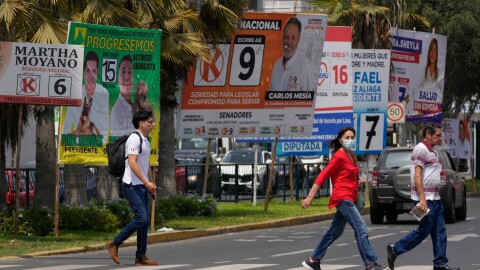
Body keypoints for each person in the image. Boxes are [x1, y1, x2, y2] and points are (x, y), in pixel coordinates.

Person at [301, 127, 387, 270]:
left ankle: (313, 259)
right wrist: (310, 197)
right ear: (341, 140)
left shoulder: (351, 156)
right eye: (347, 137)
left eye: (352, 137)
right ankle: (370, 263)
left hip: (350, 196)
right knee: (361, 229)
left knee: (335, 232)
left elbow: (350, 176)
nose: (350, 140)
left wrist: (358, 182)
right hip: (343, 197)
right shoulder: (339, 156)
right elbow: (323, 175)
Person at [387, 123, 459, 270]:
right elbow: (417, 176)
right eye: (437, 136)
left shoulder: (434, 151)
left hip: (435, 199)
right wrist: (422, 199)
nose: (439, 139)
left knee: (440, 231)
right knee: (424, 230)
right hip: (423, 200)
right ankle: (395, 249)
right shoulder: (421, 150)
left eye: (440, 136)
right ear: (427, 134)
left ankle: (440, 263)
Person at [106, 110, 160, 266]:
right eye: (150, 121)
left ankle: (140, 256)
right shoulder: (134, 139)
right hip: (131, 186)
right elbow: (132, 163)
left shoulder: (146, 141)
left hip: (142, 186)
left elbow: (145, 165)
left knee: (144, 222)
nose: (153, 124)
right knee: (141, 217)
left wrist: (151, 184)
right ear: (141, 123)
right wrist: (145, 182)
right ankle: (114, 243)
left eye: (153, 121)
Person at [62, 50, 109, 144]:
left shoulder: (104, 93)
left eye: (94, 71)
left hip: (97, 148)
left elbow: (105, 129)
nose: (90, 76)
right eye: (87, 71)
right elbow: (66, 128)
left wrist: (99, 147)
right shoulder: (75, 93)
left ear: (98, 72)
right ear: (83, 72)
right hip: (77, 147)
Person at [270, 17, 315, 92]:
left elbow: (307, 100)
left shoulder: (304, 65)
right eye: (286, 37)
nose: (289, 42)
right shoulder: (276, 66)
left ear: (298, 39)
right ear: (282, 38)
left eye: (293, 38)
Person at [110, 55, 152, 136]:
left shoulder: (135, 105)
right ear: (118, 80)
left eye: (129, 72)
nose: (126, 77)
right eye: (123, 72)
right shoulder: (116, 111)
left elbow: (151, 121)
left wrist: (142, 98)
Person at [408, 38, 442, 116]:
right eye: (431, 50)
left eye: (435, 50)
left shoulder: (439, 72)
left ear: (437, 54)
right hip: (423, 111)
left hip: (434, 112)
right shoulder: (424, 70)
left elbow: (442, 91)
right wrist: (418, 108)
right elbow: (415, 89)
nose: (432, 54)